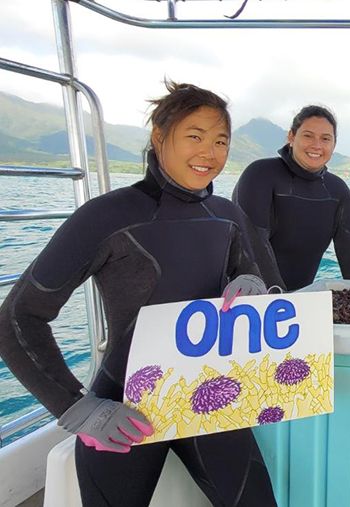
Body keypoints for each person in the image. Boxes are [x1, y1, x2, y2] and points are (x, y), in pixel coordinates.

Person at [0, 81, 279, 506]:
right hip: (124, 410)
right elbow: (18, 317)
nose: (210, 152)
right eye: (195, 136)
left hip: (210, 397)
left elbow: (246, 272)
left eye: (220, 140)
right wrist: (78, 408)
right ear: (159, 137)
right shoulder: (109, 215)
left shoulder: (226, 215)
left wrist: (251, 286)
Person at [233, 105, 350, 291]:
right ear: (291, 137)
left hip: (298, 300)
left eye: (325, 138)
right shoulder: (260, 175)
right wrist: (281, 300)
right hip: (249, 299)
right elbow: (253, 246)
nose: (317, 145)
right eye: (308, 135)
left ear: (334, 144)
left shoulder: (338, 191)